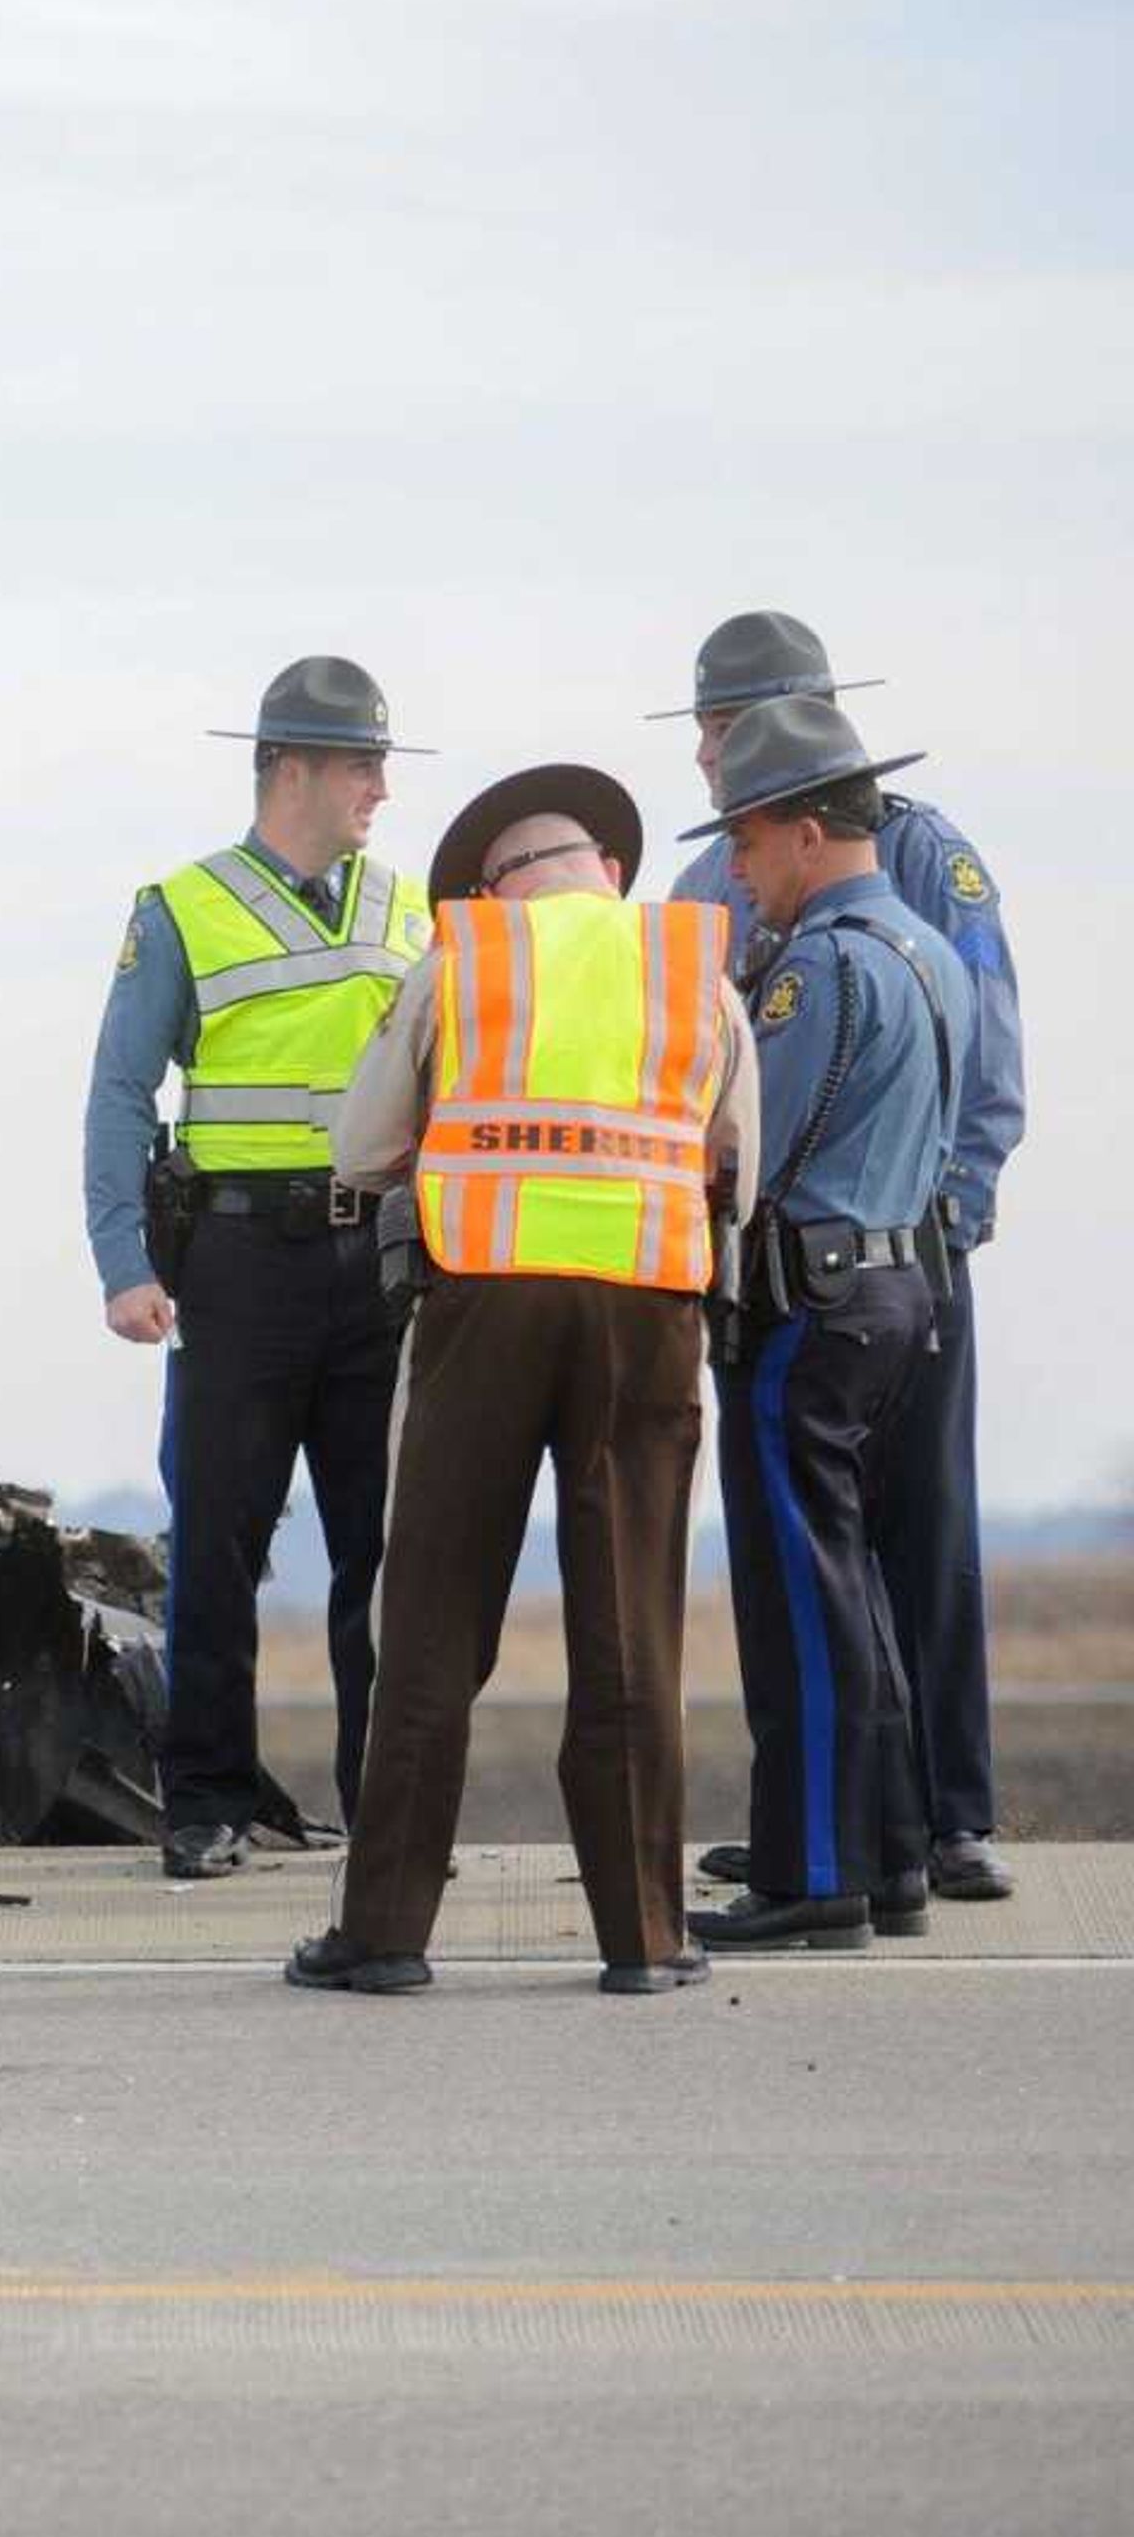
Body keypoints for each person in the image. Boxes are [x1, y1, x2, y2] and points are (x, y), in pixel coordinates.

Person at [282, 766, 756, 1996]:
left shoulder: (465, 963)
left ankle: (386, 1936)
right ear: (606, 863)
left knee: (433, 1621)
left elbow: (362, 1145)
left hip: (483, 1302)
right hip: (647, 1314)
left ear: (499, 882)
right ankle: (646, 1940)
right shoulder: (691, 969)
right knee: (630, 1627)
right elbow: (735, 1165)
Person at [657, 613, 1022, 1901]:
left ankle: (929, 1821)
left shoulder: (918, 860)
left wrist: (935, 1221)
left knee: (902, 1545)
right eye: (705, 731)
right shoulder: (717, 881)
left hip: (867, 1257)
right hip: (852, 1264)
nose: (713, 759)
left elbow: (975, 1070)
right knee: (821, 1572)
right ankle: (850, 1824)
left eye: (732, 732)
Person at [82, 656, 433, 1877]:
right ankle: (207, 1800)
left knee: (381, 1547)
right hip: (238, 1262)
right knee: (221, 1534)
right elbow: (122, 1093)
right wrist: (122, 1261)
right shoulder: (182, 908)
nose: (380, 788)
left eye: (383, 764)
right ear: (287, 767)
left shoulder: (412, 911)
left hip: (377, 1262)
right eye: (359, 764)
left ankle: (385, 1802)